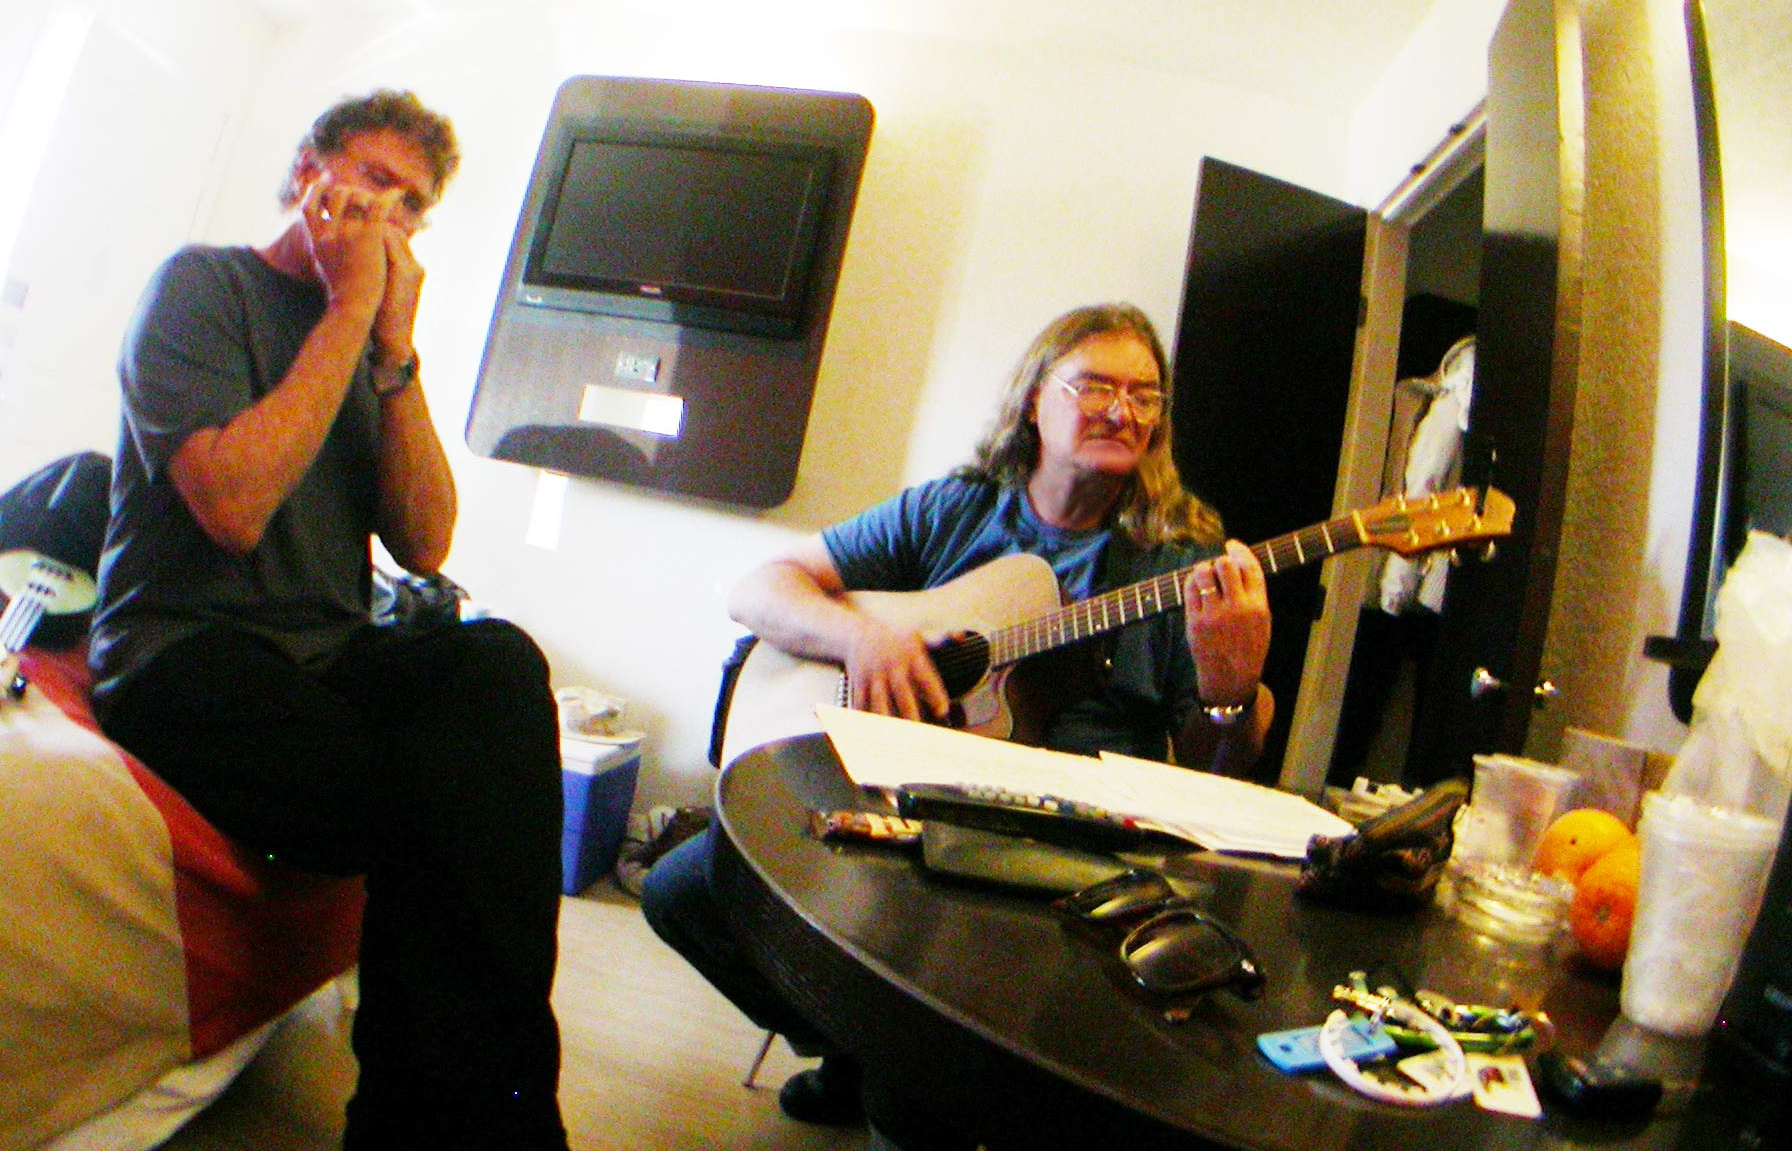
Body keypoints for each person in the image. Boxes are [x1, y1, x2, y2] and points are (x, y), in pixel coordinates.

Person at [641, 302, 1274, 1149]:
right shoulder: (957, 511)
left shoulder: (1178, 562)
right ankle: (853, 1043)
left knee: (922, 1087)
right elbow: (760, 589)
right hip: (897, 796)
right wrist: (863, 635)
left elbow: (1211, 776)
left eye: (1145, 395)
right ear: (1033, 400)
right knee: (682, 891)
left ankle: (896, 1070)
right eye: (1095, 386)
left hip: (1058, 846)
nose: (1122, 411)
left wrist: (1232, 693)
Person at [87, 90, 570, 1151]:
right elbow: (232, 507)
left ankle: (463, 1119)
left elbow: (427, 544)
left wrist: (393, 356)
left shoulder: (371, 348)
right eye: (370, 177)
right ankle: (466, 1126)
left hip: (327, 655)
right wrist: (349, 313)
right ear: (309, 166)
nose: (382, 215)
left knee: (494, 665)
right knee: (443, 807)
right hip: (182, 653)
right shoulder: (202, 286)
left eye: (409, 204)